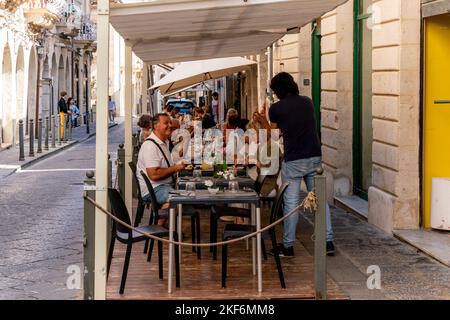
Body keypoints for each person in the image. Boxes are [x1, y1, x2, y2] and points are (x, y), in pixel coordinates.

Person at [268, 72, 335, 257]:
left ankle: (288, 246)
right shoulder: (307, 102)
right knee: (320, 202)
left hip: (294, 159)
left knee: (291, 203)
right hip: (314, 156)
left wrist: (264, 124)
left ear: (277, 90)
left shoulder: (275, 109)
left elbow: (274, 136)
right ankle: (328, 242)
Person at [136, 113, 186, 221]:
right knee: (176, 199)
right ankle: (158, 230)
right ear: (155, 126)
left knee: (186, 192)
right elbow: (154, 175)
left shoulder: (164, 142)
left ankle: (168, 229)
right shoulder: (150, 146)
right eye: (166, 123)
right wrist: (176, 168)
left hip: (163, 185)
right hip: (154, 188)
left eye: (170, 123)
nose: (170, 125)